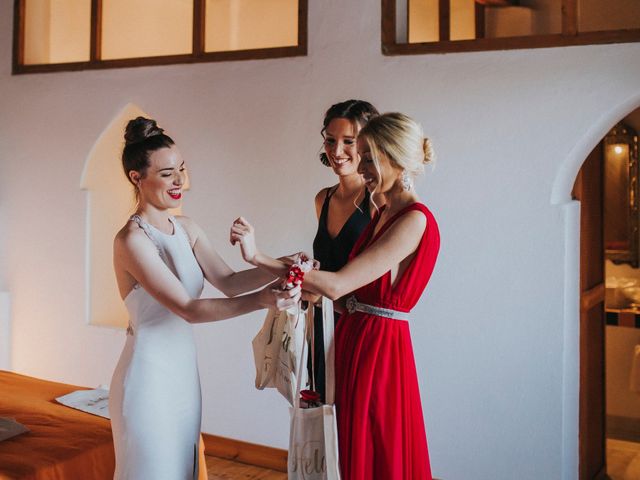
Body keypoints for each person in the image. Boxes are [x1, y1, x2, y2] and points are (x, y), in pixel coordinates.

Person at [231, 112, 440, 479]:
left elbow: (340, 283)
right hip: (351, 335)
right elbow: (346, 295)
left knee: (373, 445)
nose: (364, 168)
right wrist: (305, 287)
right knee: (344, 446)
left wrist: (258, 257)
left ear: (394, 158)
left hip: (380, 348)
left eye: (369, 158)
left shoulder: (414, 219)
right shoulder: (383, 213)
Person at [109, 117, 300, 480]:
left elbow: (228, 282)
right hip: (148, 380)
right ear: (137, 177)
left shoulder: (187, 228)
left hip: (183, 377)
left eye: (181, 169)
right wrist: (264, 300)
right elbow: (188, 309)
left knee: (183, 471)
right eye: (167, 174)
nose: (180, 181)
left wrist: (284, 263)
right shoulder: (131, 241)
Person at [310, 99, 378, 402]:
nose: (337, 152)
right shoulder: (322, 199)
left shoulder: (379, 200)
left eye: (349, 141)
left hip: (362, 326)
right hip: (323, 323)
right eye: (331, 140)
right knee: (322, 417)